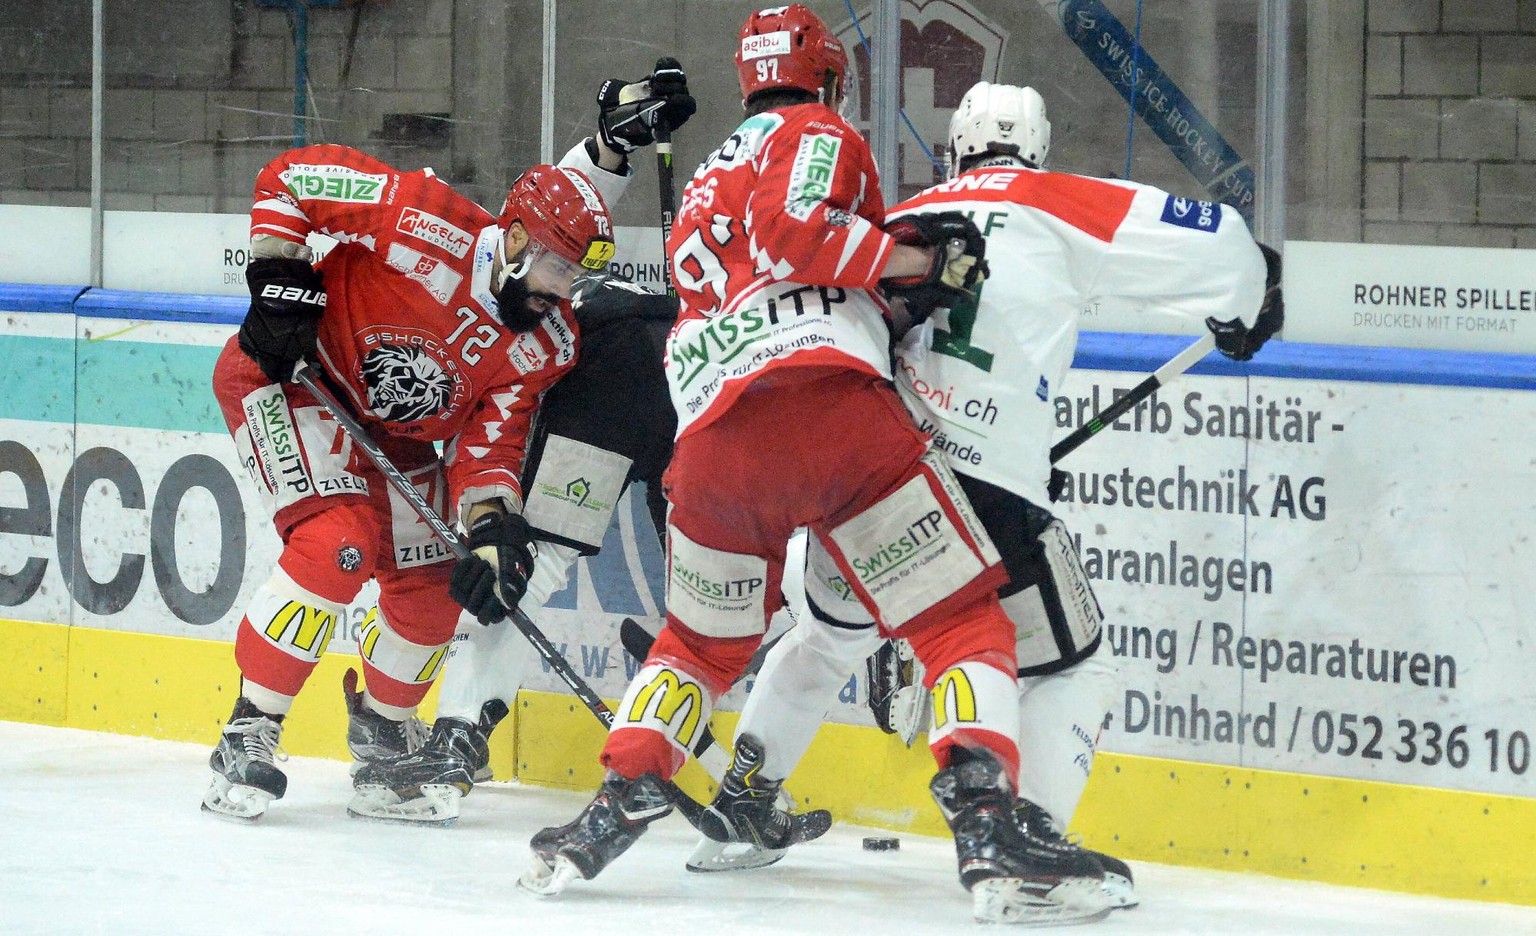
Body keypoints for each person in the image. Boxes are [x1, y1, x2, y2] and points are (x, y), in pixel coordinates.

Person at [520, 7, 1110, 925]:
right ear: (831, 78)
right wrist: (917, 258)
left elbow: (767, 265)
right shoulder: (817, 130)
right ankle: (987, 824)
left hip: (713, 446)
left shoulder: (710, 173)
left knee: (698, 646)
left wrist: (891, 282)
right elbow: (800, 234)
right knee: (959, 621)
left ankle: (609, 809)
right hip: (829, 417)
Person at [713, 80, 1285, 912]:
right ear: (1038, 145)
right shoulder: (1065, 201)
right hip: (987, 490)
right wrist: (1247, 295)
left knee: (827, 635)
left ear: (955, 149)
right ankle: (1029, 848)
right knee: (1073, 668)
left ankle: (740, 807)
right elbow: (1227, 248)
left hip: (866, 476)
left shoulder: (904, 220)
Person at [200, 60, 696, 824]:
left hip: (392, 439)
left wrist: (493, 528)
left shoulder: (546, 341)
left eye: (575, 275)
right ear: (517, 238)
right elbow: (291, 176)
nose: (563, 291)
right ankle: (248, 730)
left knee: (438, 582)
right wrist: (278, 275)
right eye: (556, 268)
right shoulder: (420, 220)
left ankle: (384, 737)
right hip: (294, 382)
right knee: (338, 544)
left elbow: (490, 447)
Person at [345, 270, 680, 820]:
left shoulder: (489, 318)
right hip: (698, 373)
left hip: (614, 371)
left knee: (522, 568)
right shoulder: (549, 291)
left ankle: (452, 750)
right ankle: (756, 780)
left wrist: (496, 532)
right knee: (718, 594)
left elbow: (491, 432)